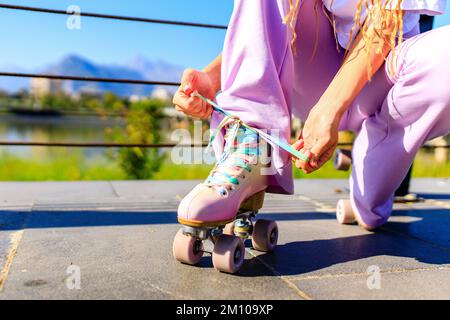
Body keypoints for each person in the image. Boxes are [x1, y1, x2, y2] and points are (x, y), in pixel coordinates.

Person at [173, 0, 450, 230]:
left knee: (370, 213)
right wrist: (212, 77)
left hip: (386, 82)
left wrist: (330, 108)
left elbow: (389, 18)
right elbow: (274, 17)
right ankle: (251, 145)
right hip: (316, 77)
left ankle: (372, 158)